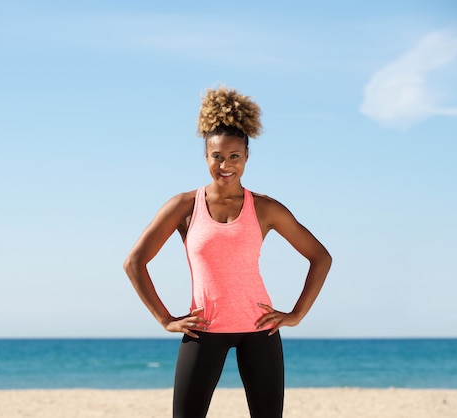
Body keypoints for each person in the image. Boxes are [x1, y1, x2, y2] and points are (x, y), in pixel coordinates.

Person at [123, 86, 332, 418]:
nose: (225, 165)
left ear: (247, 157)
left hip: (260, 330)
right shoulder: (183, 206)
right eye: (217, 156)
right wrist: (165, 319)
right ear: (206, 157)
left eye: (234, 156)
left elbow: (320, 256)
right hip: (203, 330)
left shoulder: (265, 208)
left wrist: (296, 315)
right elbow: (134, 262)